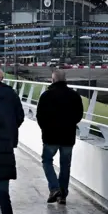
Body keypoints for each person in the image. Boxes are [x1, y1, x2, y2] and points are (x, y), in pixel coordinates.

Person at [36, 69, 84, 205]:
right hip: (68, 136)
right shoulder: (74, 95)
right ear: (65, 80)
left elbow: (40, 116)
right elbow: (79, 115)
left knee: (46, 161)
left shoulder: (46, 96)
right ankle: (62, 195)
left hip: (50, 136)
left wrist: (45, 129)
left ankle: (54, 188)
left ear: (52, 80)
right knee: (65, 165)